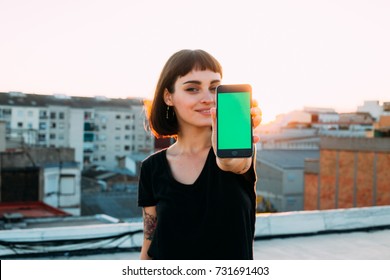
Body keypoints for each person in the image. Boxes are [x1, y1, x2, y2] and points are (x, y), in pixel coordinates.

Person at [138, 49, 262, 260]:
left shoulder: (238, 151)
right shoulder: (151, 168)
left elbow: (233, 163)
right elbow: (150, 241)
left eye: (214, 88)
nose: (208, 98)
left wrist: (230, 135)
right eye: (193, 88)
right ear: (169, 96)